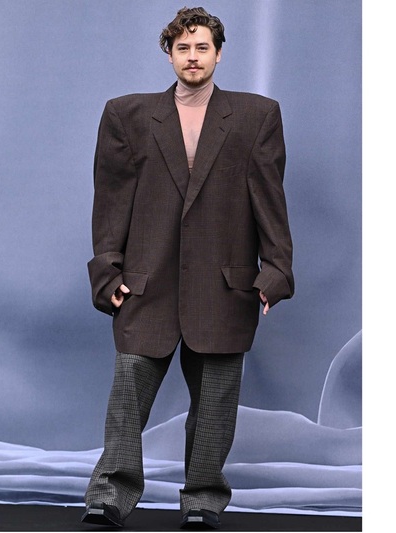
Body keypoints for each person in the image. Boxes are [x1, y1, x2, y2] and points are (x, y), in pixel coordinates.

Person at [81, 6, 294, 530]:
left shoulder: (256, 116)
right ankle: (109, 496)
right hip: (145, 283)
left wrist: (275, 273)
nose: (193, 57)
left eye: (202, 47)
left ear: (219, 53)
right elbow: (111, 201)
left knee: (215, 408)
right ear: (169, 54)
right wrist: (107, 272)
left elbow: (270, 200)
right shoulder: (127, 115)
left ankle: (202, 501)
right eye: (183, 48)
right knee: (127, 400)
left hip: (226, 286)